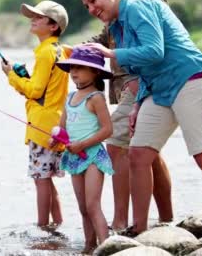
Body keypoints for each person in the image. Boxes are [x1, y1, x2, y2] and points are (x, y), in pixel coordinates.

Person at [81, 0, 202, 237]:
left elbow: (155, 51)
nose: (93, 9)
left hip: (189, 78)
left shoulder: (137, 6)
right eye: (87, 7)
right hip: (158, 88)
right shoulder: (117, 26)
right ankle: (140, 229)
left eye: (94, 1)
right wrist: (139, 103)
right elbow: (144, 69)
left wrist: (110, 53)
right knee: (138, 154)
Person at [75, 0, 173, 231]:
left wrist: (139, 82)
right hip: (127, 84)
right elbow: (108, 38)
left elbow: (159, 43)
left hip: (140, 83)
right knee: (149, 155)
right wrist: (77, 50)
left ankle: (121, 224)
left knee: (118, 146)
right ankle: (167, 221)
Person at [1, 0, 70, 229]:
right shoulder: (60, 50)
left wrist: (12, 76)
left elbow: (34, 91)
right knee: (48, 180)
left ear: (53, 26)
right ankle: (57, 224)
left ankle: (42, 228)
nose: (33, 19)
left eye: (39, 17)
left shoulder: (44, 53)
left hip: (41, 126)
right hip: (56, 123)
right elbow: (43, 88)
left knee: (41, 180)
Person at [50, 45, 114, 252]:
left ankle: (106, 247)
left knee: (93, 205)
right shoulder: (69, 98)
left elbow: (108, 130)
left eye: (79, 68)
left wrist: (83, 144)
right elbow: (63, 127)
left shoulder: (95, 98)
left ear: (95, 72)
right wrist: (57, 138)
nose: (74, 72)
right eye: (72, 68)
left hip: (93, 156)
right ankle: (88, 246)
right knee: (83, 208)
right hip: (75, 157)